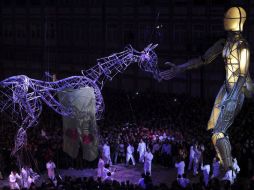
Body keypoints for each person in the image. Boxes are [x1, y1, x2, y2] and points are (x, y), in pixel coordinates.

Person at [160, 6, 252, 175]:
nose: (224, 20)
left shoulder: (243, 46)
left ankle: (230, 169)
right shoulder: (223, 43)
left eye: (227, 17)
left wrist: (232, 98)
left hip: (237, 91)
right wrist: (179, 68)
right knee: (214, 131)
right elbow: (202, 59)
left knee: (218, 133)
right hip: (226, 88)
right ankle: (228, 165)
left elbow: (242, 76)